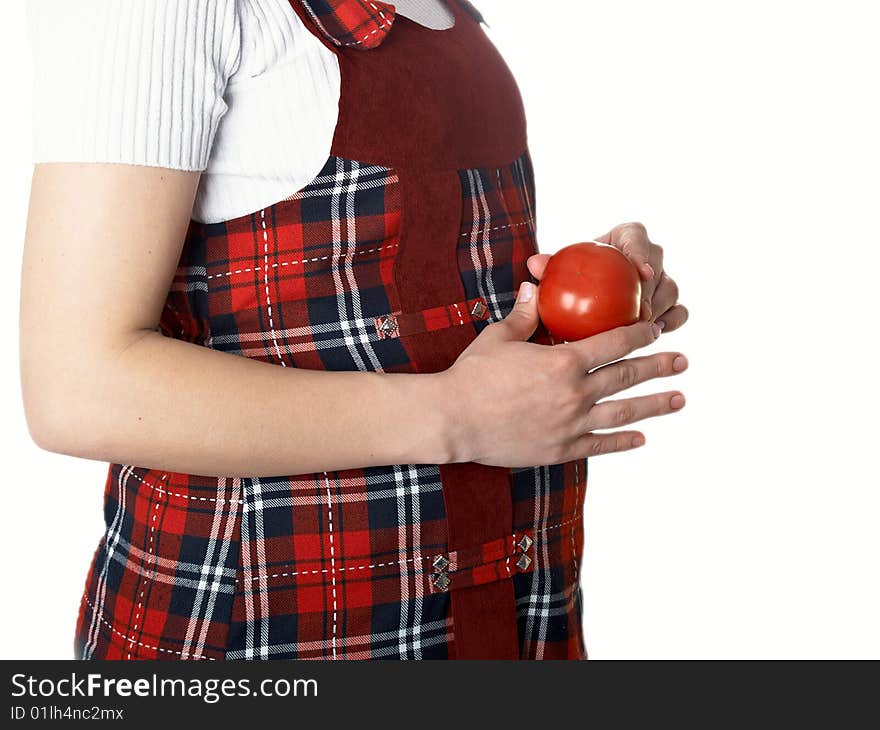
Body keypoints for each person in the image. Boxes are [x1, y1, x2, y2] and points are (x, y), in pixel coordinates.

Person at [21, 0, 689, 660]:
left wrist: (591, 284)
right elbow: (77, 388)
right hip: (274, 634)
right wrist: (456, 414)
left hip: (510, 611)